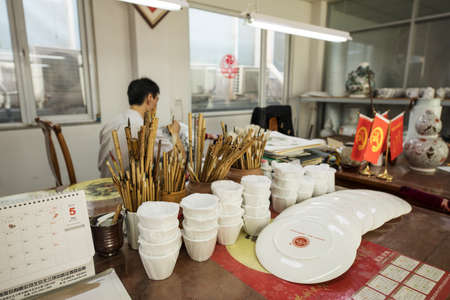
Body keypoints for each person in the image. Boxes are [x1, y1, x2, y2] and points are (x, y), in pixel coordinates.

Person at [97, 78, 179, 177]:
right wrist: (175, 133)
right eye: (157, 99)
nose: (156, 104)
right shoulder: (146, 129)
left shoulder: (109, 124)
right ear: (149, 98)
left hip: (103, 184)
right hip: (125, 190)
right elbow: (177, 158)